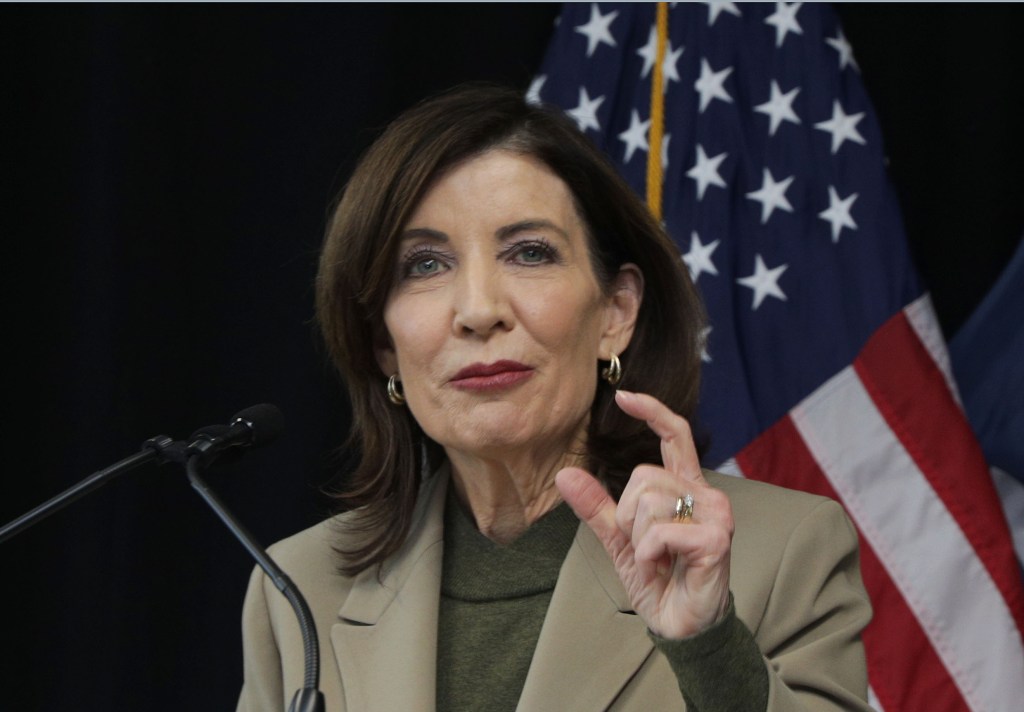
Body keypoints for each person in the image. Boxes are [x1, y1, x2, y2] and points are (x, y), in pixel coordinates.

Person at [237, 84, 872, 711]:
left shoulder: (782, 547)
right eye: (425, 264)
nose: (479, 311)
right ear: (383, 343)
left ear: (615, 313)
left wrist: (709, 646)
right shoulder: (297, 588)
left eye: (530, 253)